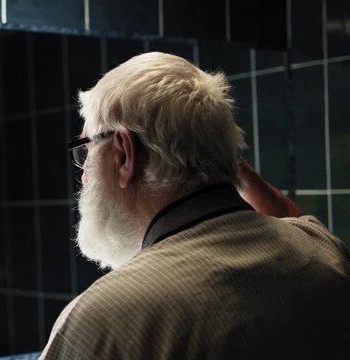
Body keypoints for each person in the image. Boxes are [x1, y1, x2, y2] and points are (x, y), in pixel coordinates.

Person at [41, 52, 350, 359]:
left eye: (87, 149)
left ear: (123, 154)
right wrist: (215, 157)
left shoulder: (98, 322)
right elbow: (292, 224)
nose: (84, 174)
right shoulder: (325, 253)